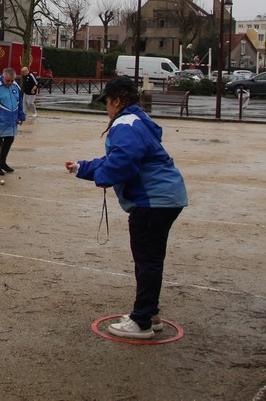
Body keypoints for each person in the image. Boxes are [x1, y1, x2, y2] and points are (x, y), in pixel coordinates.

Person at [64, 75, 188, 340]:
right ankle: (149, 314)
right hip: (164, 198)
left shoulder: (125, 123)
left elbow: (123, 161)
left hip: (153, 201)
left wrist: (103, 177)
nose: (106, 108)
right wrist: (82, 168)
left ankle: (142, 320)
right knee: (150, 259)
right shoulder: (136, 119)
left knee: (147, 260)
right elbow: (116, 158)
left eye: (107, 102)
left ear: (117, 100)